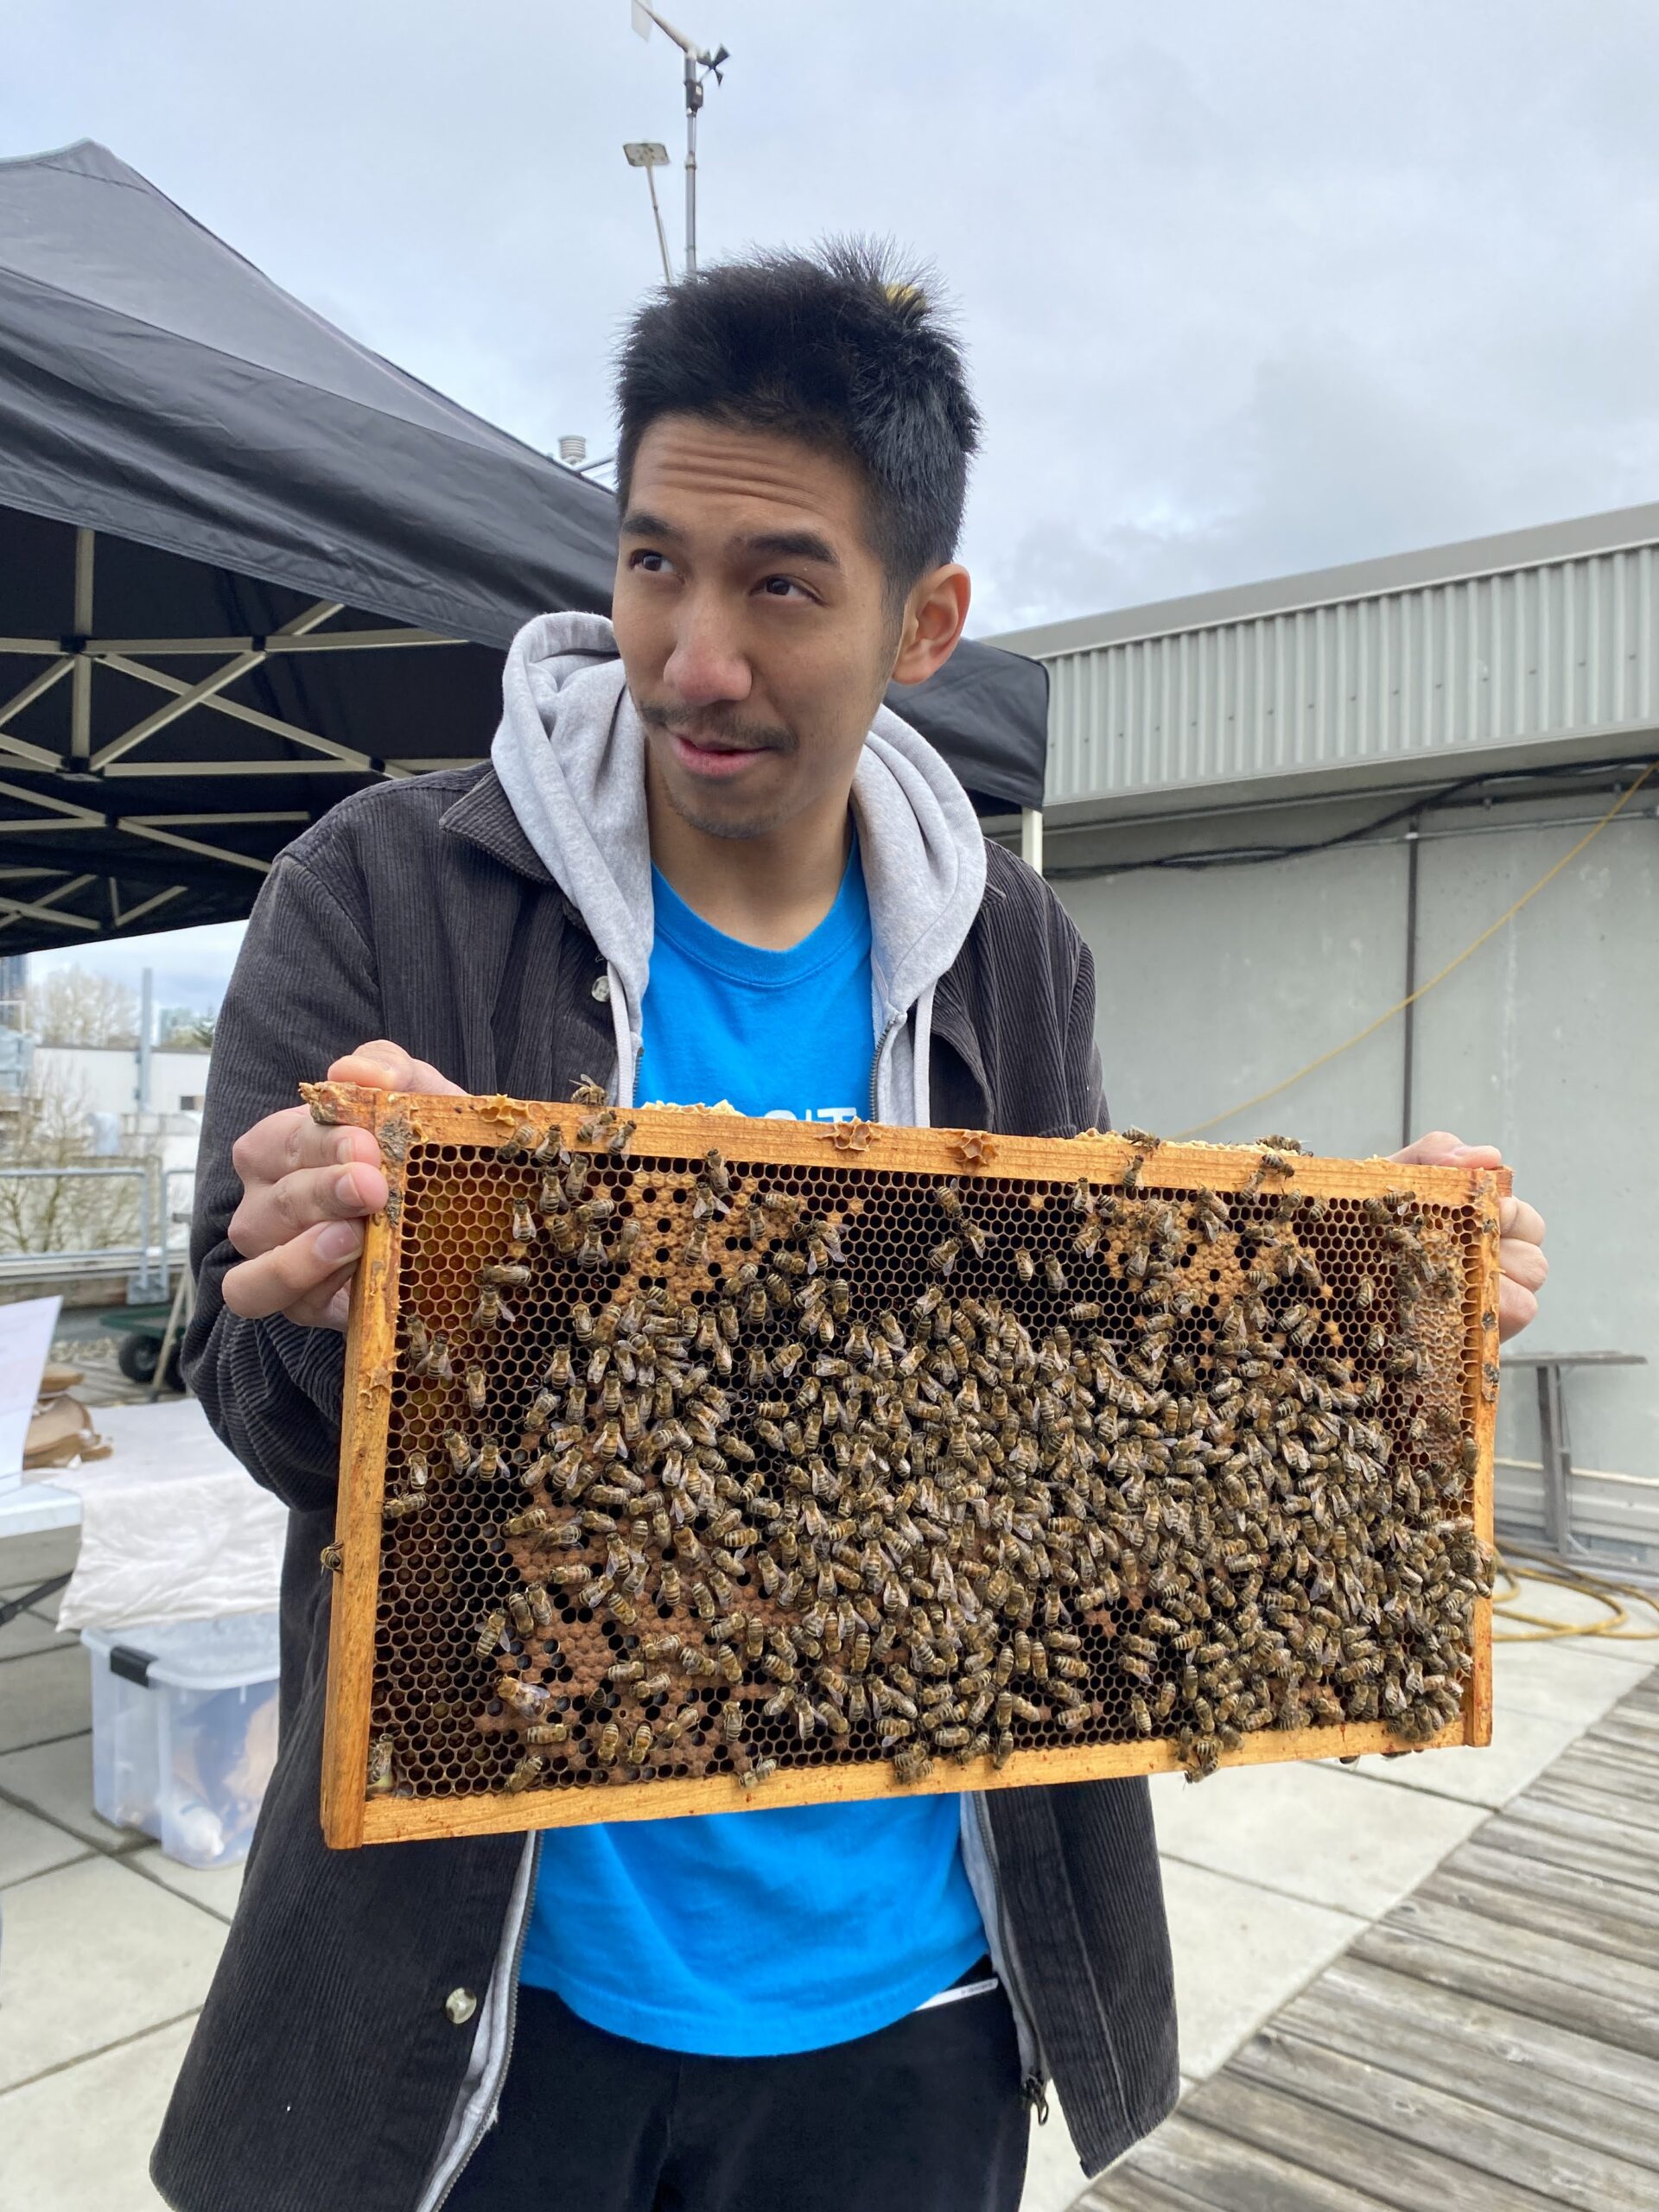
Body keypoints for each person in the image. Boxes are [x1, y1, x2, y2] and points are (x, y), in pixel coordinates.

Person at [156, 242, 1548, 2212]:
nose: (693, 656)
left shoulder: (1020, 957)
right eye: (653, 563)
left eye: (780, 583)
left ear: (927, 620)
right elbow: (264, 1410)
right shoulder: (386, 891)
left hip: (921, 2010)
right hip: (495, 2011)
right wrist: (307, 1296)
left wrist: (1382, 1348)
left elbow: (1068, 1436)